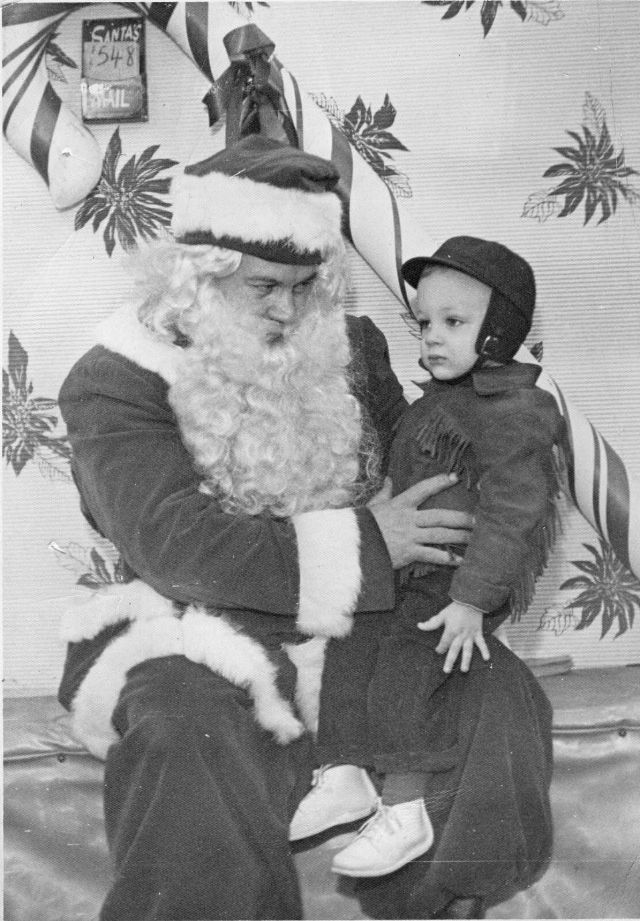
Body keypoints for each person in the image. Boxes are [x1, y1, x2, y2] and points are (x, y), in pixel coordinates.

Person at [56, 135, 475, 921]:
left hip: (363, 631)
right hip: (193, 631)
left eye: (306, 285)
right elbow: (179, 547)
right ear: (199, 277)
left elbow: (432, 478)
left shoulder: (352, 347)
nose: (289, 309)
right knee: (186, 725)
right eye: (264, 287)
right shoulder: (114, 381)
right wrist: (369, 540)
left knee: (479, 704)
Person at [289, 237, 562, 912]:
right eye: (426, 322)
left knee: (413, 663)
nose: (433, 338)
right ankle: (344, 768)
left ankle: (406, 807)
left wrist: (473, 600)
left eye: (454, 322)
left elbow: (512, 513)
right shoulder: (437, 400)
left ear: (497, 332)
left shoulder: (514, 411)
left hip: (457, 584)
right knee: (351, 638)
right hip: (409, 572)